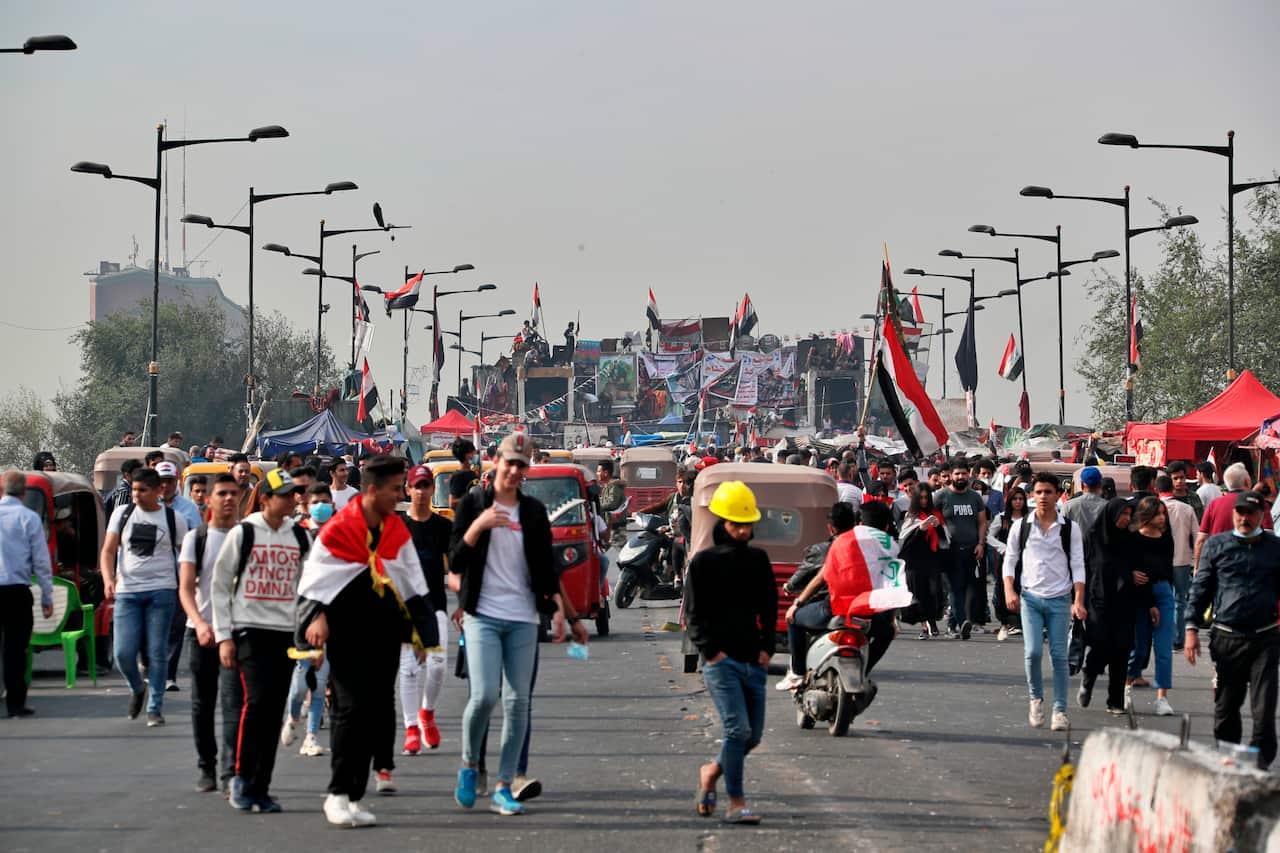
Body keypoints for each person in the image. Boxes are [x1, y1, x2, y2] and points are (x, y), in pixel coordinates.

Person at [296, 457, 439, 828]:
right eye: (395, 489)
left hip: (386, 633)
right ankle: (337, 792)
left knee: (375, 710)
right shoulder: (338, 529)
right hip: (347, 633)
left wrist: (426, 639)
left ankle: (356, 796)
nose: (400, 495)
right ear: (373, 490)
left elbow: (413, 588)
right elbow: (312, 587)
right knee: (350, 710)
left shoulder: (396, 529)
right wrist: (316, 619)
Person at [448, 433, 566, 817]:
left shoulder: (532, 512)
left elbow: (546, 569)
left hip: (523, 617)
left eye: (522, 465)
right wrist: (478, 526)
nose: (515, 471)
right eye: (509, 462)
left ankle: (503, 784)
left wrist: (561, 610)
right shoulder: (472, 504)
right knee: (484, 696)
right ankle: (469, 764)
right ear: (495, 461)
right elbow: (455, 561)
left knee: (518, 702)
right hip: (481, 614)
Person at [211, 468, 310, 813]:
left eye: (293, 493)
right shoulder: (244, 533)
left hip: (284, 634)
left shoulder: (299, 536)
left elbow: (309, 589)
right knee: (256, 705)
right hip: (248, 630)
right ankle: (239, 778)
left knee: (273, 710)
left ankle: (262, 787)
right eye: (284, 494)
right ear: (266, 499)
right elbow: (220, 586)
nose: (292, 499)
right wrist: (224, 637)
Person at [686, 480, 775, 825]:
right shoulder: (703, 563)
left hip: (753, 660)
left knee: (751, 736)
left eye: (747, 524)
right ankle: (736, 801)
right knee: (737, 731)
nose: (742, 530)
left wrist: (767, 649)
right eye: (736, 524)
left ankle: (711, 773)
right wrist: (711, 654)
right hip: (721, 663)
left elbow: (768, 609)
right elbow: (693, 615)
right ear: (721, 523)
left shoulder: (758, 559)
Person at [1186, 491, 1280, 769]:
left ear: (1262, 516)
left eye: (1250, 513)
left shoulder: (1275, 548)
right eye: (1240, 513)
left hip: (1266, 637)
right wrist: (1191, 629)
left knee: (1263, 711)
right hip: (1227, 637)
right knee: (1227, 708)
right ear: (1233, 514)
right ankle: (1229, 760)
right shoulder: (1217, 545)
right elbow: (1200, 589)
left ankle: (1258, 764)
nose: (1244, 518)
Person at [99, 467, 189, 726]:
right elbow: (107, 552)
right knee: (123, 653)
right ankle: (138, 687)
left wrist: (185, 585)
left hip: (162, 591)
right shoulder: (122, 514)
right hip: (127, 592)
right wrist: (108, 579)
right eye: (134, 489)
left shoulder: (174, 520)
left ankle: (154, 706)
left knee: (157, 650)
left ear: (158, 491)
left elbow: (186, 557)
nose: (136, 495)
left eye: (142, 490)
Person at [1001, 472, 1085, 731]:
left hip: (1060, 599)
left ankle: (1059, 710)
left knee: (1059, 656)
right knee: (1033, 651)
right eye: (1038, 492)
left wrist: (1078, 599)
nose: (1043, 497)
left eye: (1048, 492)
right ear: (1031, 495)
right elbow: (1010, 560)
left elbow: (1078, 564)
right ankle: (1036, 699)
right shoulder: (1021, 526)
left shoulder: (1069, 527)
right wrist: (1008, 590)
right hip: (1031, 598)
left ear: (1058, 494)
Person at [176, 473, 243, 792]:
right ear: (210, 499)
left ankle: (231, 771)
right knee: (202, 704)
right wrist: (201, 624)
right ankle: (207, 766)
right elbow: (186, 589)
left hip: (236, 634)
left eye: (234, 493)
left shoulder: (247, 537)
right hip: (201, 633)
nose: (229, 498)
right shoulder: (196, 538)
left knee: (234, 703)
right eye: (223, 494)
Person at [397, 465, 452, 756]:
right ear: (408, 489)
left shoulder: (443, 527)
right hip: (405, 609)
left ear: (432, 490)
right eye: (415, 486)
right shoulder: (397, 526)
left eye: (425, 486)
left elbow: (455, 567)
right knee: (407, 670)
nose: (420, 492)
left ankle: (427, 713)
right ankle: (410, 729)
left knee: (438, 665)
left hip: (436, 605)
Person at [776, 502, 858, 689]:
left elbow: (814, 579)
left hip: (829, 606)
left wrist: (792, 592)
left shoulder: (823, 550)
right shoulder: (863, 547)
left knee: (793, 618)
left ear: (830, 527)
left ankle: (797, 672)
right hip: (861, 609)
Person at [281, 484, 336, 759]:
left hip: (332, 615)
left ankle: (311, 737)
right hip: (302, 616)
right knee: (300, 685)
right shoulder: (296, 534)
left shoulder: (340, 533)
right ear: (306, 505)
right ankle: (292, 718)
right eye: (316, 502)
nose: (321, 506)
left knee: (319, 680)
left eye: (326, 501)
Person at [0, 470, 54, 718]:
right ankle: (15, 704)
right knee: (15, 650)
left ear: (2, 490)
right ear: (23, 493)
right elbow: (41, 561)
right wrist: (46, 596)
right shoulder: (29, 518)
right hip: (17, 592)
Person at [1079, 499, 1139, 715]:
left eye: (1129, 514)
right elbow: (1081, 569)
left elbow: (1137, 567)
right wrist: (1078, 600)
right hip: (1098, 600)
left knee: (1122, 649)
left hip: (1125, 601)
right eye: (1123, 514)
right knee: (1102, 645)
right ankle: (1090, 675)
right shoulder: (1093, 538)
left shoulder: (1131, 539)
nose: (1126, 519)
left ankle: (1115, 700)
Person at [1125, 496, 1175, 715]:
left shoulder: (1166, 538)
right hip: (1139, 596)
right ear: (1147, 515)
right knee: (1139, 647)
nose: (1162, 518)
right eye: (1158, 513)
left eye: (1163, 513)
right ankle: (1126, 686)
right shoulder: (1134, 539)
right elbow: (1133, 569)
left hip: (1163, 592)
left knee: (1164, 649)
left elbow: (1167, 567)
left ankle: (1162, 697)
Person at [157, 461, 202, 692]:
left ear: (177, 482)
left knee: (175, 627)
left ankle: (168, 674)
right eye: (161, 481)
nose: (165, 485)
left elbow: (196, 541)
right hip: (151, 577)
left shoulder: (188, 509)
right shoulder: (143, 506)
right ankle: (151, 667)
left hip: (177, 575)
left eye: (169, 481)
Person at [934, 459, 988, 639]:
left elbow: (982, 522)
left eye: (963, 473)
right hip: (950, 550)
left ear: (969, 474)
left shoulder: (975, 497)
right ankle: (963, 621)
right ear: (950, 475)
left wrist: (980, 543)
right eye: (957, 473)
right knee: (955, 587)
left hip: (972, 549)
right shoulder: (941, 497)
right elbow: (931, 520)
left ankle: (953, 625)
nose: (960, 477)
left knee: (965, 587)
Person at [1195, 463, 1273, 570]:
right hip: (1251, 566)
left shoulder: (1214, 504)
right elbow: (1269, 537)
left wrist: (1197, 568)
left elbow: (1201, 540)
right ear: (1247, 482)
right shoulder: (1259, 503)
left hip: (1219, 565)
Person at [899, 485, 949, 640]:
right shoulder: (911, 516)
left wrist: (938, 527)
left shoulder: (936, 514)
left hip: (932, 559)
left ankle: (932, 620)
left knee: (934, 592)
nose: (924, 501)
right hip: (915, 561)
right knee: (919, 594)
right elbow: (905, 542)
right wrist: (921, 529)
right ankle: (924, 626)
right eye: (920, 498)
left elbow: (944, 540)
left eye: (926, 497)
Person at [1157, 474, 1198, 653]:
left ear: (1157, 489)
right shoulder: (1187, 508)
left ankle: (1163, 635)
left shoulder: (1154, 508)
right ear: (1172, 488)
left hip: (1160, 562)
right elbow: (1197, 537)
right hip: (1182, 560)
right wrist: (1196, 562)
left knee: (1160, 600)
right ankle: (1178, 639)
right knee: (1180, 600)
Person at [987, 485, 1030, 641]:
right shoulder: (1002, 518)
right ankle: (1006, 623)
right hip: (1006, 561)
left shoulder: (1029, 518)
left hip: (1026, 561)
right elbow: (989, 536)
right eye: (1015, 499)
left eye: (1020, 499)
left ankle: (1020, 623)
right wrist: (1002, 548)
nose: (1018, 502)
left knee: (1023, 589)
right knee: (1003, 590)